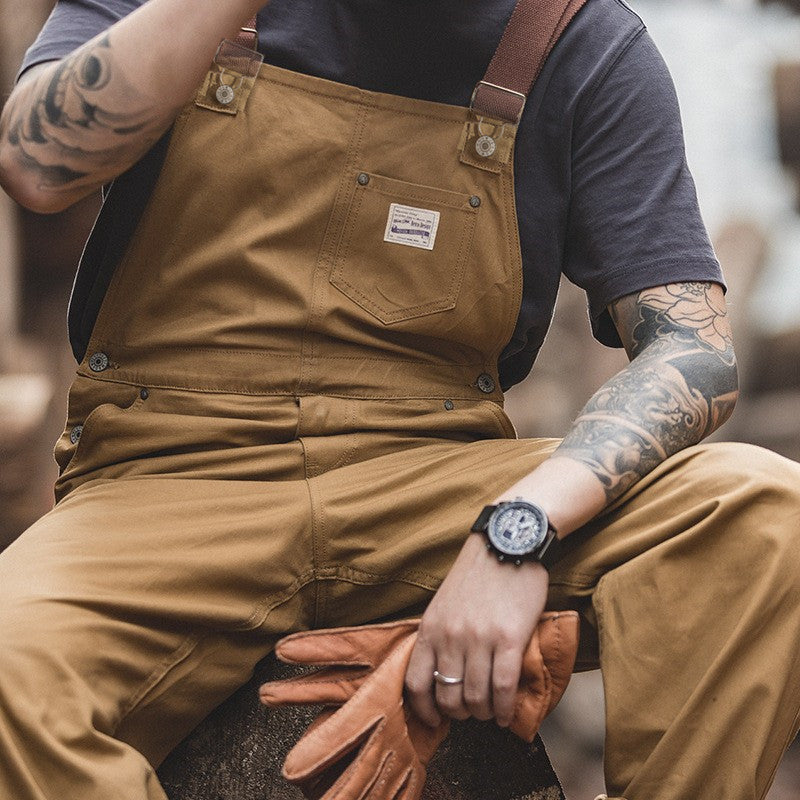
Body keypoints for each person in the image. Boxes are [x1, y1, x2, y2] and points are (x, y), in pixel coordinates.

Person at [0, 0, 799, 798]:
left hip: (428, 487)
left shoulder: (581, 42)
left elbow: (693, 346)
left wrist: (517, 533)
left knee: (762, 515)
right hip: (166, 483)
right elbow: (37, 167)